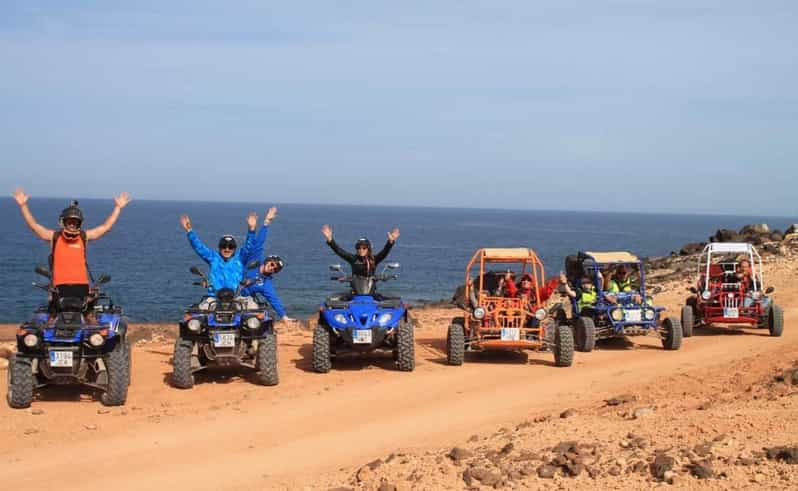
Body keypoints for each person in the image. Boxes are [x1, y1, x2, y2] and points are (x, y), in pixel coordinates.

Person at [13, 188, 131, 312]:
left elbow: (105, 228)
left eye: (75, 222)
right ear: (63, 222)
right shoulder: (54, 237)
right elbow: (34, 226)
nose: (72, 225)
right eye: (69, 222)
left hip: (81, 287)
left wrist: (118, 208)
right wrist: (23, 206)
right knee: (52, 320)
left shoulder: (83, 237)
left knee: (89, 319)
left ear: (79, 224)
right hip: (59, 287)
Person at [180, 213, 258, 307]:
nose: (227, 249)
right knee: (197, 315)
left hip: (236, 298)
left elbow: (248, 247)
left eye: (231, 246)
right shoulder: (213, 258)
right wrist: (189, 231)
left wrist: (252, 230)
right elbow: (199, 248)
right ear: (219, 248)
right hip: (214, 298)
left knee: (253, 309)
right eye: (223, 246)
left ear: (234, 248)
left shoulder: (240, 258)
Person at [239, 207, 294, 321]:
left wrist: (284, 316)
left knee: (260, 320)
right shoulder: (255, 260)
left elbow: (273, 298)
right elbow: (258, 243)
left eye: (275, 269)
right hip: (228, 293)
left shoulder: (265, 283)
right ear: (267, 260)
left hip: (244, 301)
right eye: (272, 264)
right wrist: (266, 223)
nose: (272, 268)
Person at [320, 224, 400, 277]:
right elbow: (339, 251)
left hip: (370, 293)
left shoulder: (374, 259)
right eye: (358, 247)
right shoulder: (353, 259)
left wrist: (390, 242)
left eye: (364, 248)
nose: (361, 250)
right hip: (355, 293)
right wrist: (330, 240)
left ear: (368, 249)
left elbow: (384, 252)